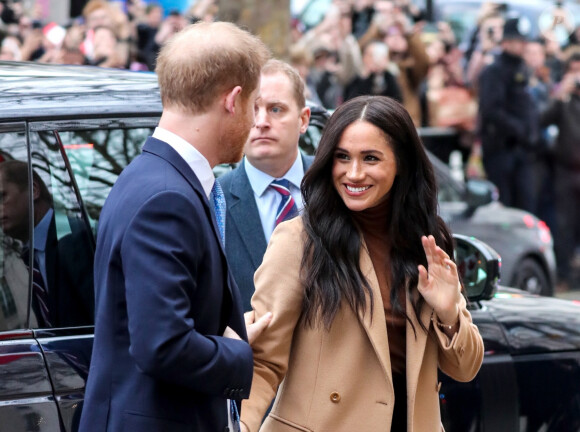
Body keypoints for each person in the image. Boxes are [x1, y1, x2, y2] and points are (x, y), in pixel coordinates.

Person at [240, 96, 484, 432]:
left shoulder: (426, 244)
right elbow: (264, 360)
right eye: (342, 157)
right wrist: (238, 427)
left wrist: (448, 315)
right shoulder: (299, 241)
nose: (353, 173)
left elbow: (465, 368)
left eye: (370, 158)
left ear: (402, 164)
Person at [79, 21, 271, 432]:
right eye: (256, 104)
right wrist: (238, 353)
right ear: (233, 100)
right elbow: (162, 345)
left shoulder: (150, 177)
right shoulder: (167, 197)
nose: (257, 121)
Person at [219, 59, 312, 311]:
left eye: (276, 109)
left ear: (303, 120)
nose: (261, 122)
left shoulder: (336, 183)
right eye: (252, 109)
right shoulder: (213, 200)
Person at [0, 160, 94, 329]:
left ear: (34, 191)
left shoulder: (73, 238)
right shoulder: (28, 253)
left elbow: (101, 320)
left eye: (2, 196)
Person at [478, 15, 539, 212]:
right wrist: (519, 129)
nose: (522, 46)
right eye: (517, 41)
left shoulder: (522, 68)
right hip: (502, 150)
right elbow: (491, 110)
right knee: (506, 206)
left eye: (523, 41)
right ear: (505, 42)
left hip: (522, 149)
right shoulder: (494, 71)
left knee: (526, 205)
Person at [540, 50, 580, 292]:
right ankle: (564, 275)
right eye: (573, 72)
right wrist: (560, 94)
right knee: (564, 226)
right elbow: (542, 120)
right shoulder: (562, 101)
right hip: (565, 172)